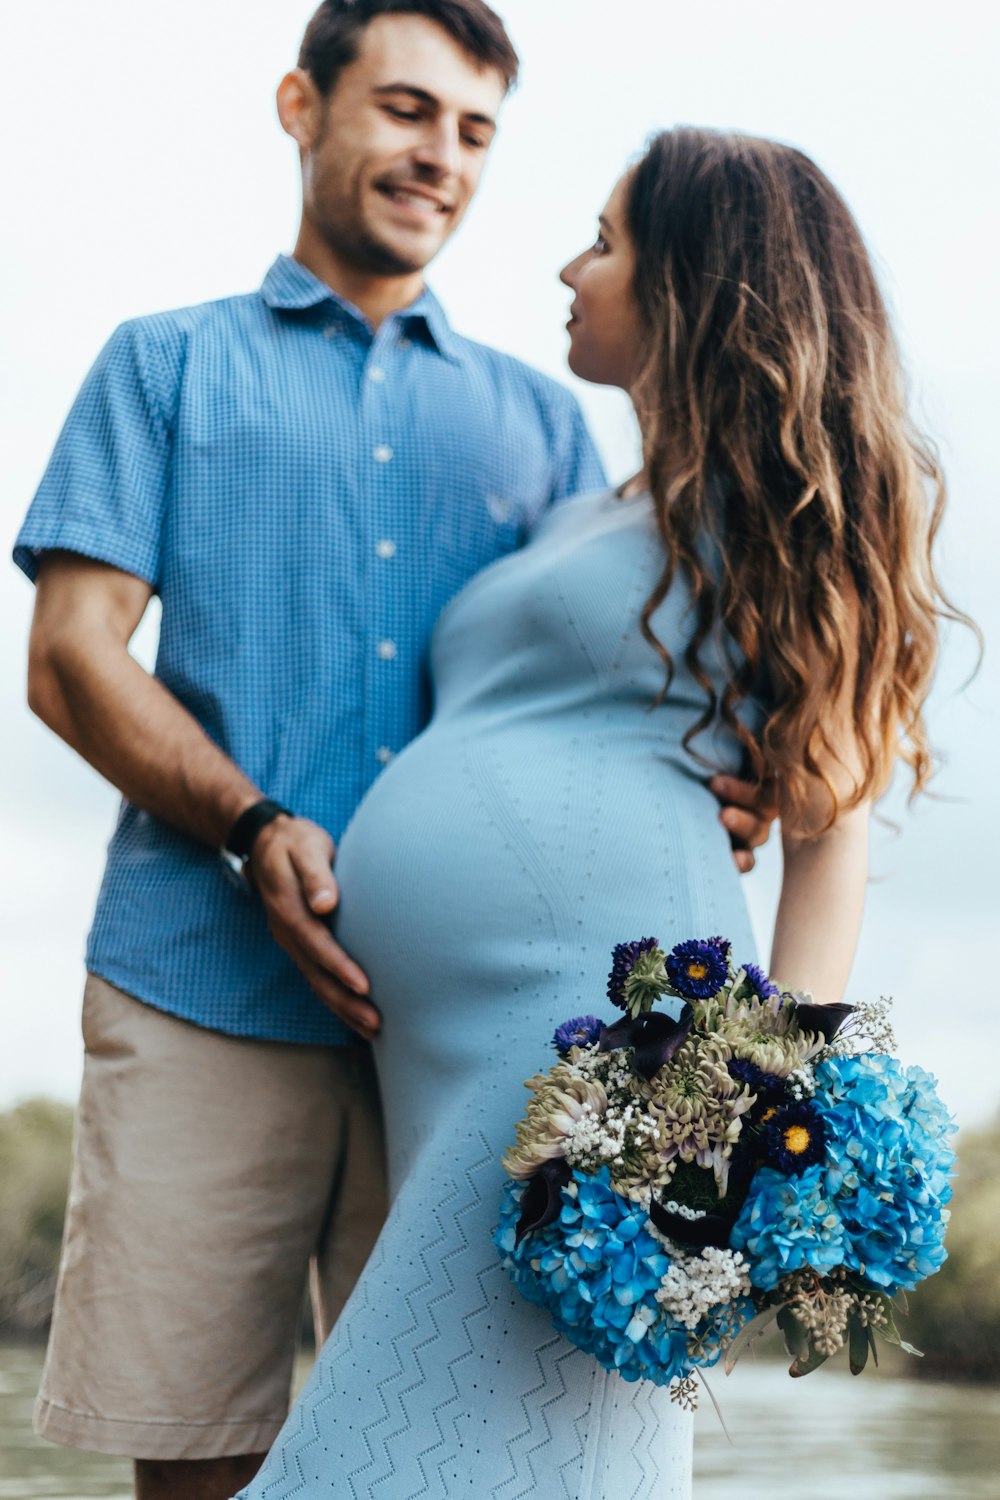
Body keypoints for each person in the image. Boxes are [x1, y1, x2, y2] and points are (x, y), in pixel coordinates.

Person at [12, 5, 773, 1499]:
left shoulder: (544, 421)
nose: (440, 156)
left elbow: (612, 666)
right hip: (198, 982)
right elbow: (69, 657)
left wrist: (726, 784)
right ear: (302, 104)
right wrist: (251, 826)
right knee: (201, 1461)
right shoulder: (160, 367)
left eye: (475, 131)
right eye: (408, 109)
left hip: (471, 1034)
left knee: (462, 1456)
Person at [232, 128, 955, 1500]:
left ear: (697, 284)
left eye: (607, 241)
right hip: (459, 1049)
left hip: (587, 1047)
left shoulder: (780, 502)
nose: (571, 266)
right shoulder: (596, 502)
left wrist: (743, 1118)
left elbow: (832, 829)